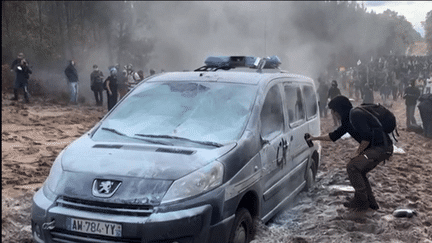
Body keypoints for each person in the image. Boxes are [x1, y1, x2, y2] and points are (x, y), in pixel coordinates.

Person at [307, 96, 393, 211]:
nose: (333, 114)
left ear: (340, 109)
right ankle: (370, 203)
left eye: (334, 110)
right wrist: (314, 138)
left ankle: (361, 201)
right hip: (377, 148)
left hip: (382, 148)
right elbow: (334, 136)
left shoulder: (355, 115)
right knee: (359, 170)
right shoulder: (348, 120)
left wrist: (357, 153)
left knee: (353, 166)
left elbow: (366, 137)